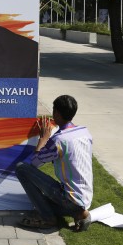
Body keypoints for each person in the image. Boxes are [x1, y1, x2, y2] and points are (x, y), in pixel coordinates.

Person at [15, 95, 93, 232]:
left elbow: (35, 163)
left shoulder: (58, 140)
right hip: (86, 198)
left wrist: (43, 139)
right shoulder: (85, 132)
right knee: (43, 200)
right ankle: (78, 212)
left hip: (69, 198)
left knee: (21, 169)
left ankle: (48, 218)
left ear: (56, 113)